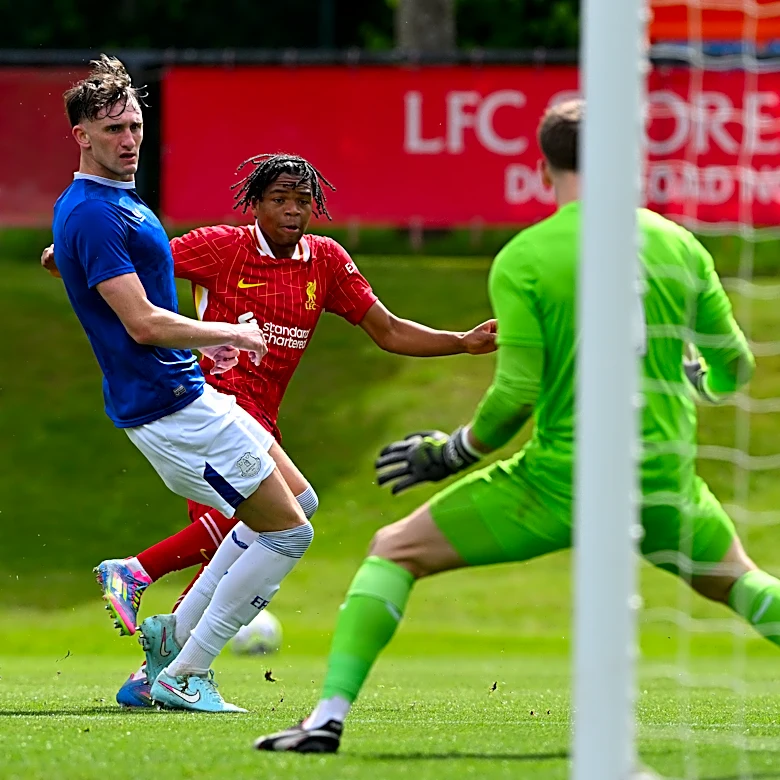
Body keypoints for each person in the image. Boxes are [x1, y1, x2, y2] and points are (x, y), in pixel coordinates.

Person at [253, 99, 780, 754]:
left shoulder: (526, 257)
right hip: (661, 479)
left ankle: (326, 720)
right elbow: (737, 365)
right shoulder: (678, 245)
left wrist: (450, 453)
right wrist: (705, 381)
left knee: (395, 549)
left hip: (559, 481)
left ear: (543, 166)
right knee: (743, 584)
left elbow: (517, 393)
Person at [43, 152, 497, 708]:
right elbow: (135, 266)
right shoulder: (219, 246)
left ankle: (165, 649)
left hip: (259, 421)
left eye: (302, 202)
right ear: (254, 204)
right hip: (209, 410)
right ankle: (170, 641)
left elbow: (389, 331)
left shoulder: (326, 262)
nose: (292, 211)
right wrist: (68, 253)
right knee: (279, 530)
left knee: (288, 513)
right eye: (279, 199)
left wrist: (463, 341)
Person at [52, 55, 317, 714]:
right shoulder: (92, 212)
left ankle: (167, 647)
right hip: (170, 409)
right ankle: (185, 673)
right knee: (288, 534)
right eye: (112, 128)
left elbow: (116, 266)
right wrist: (228, 333)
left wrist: (71, 256)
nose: (129, 138)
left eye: (136, 125)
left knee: (301, 501)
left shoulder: (108, 203)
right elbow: (141, 323)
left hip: (192, 396)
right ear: (80, 133)